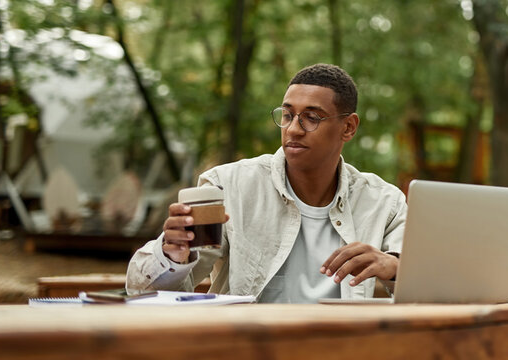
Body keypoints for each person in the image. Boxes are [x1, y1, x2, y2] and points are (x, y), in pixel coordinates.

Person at [126, 64, 406, 302]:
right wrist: (172, 256)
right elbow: (147, 294)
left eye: (311, 118)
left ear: (348, 127)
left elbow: (433, 290)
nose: (293, 129)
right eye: (287, 115)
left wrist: (394, 267)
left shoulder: (384, 202)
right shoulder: (225, 187)